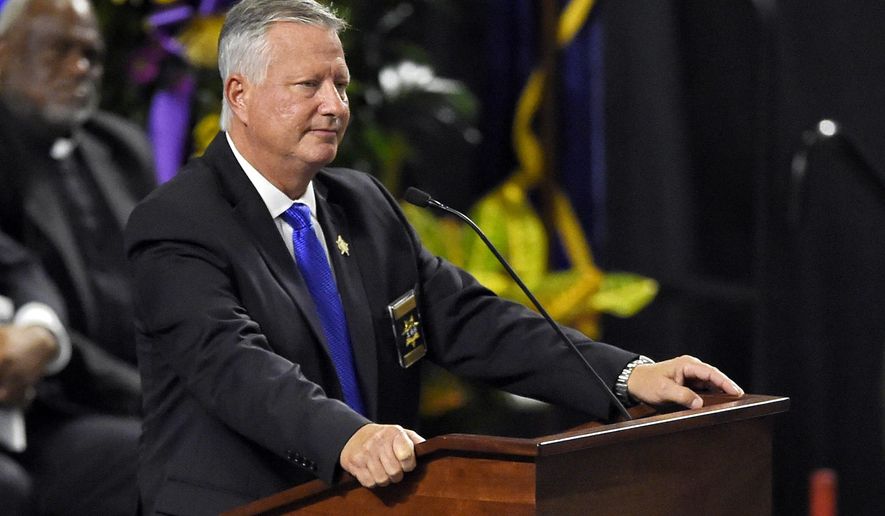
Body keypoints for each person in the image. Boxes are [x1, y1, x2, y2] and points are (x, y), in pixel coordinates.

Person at [125, 0, 744, 514]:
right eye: (308, 86)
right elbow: (233, 366)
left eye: (340, 84)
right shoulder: (178, 223)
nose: (336, 106)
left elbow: (474, 322)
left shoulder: (362, 203)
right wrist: (350, 437)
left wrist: (625, 374)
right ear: (239, 93)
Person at [0, 0, 156, 513]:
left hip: (143, 395)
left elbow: (173, 283)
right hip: (52, 409)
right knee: (154, 455)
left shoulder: (123, 146)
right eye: (59, 50)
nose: (80, 68)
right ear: (3, 55)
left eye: (92, 54)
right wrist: (151, 396)